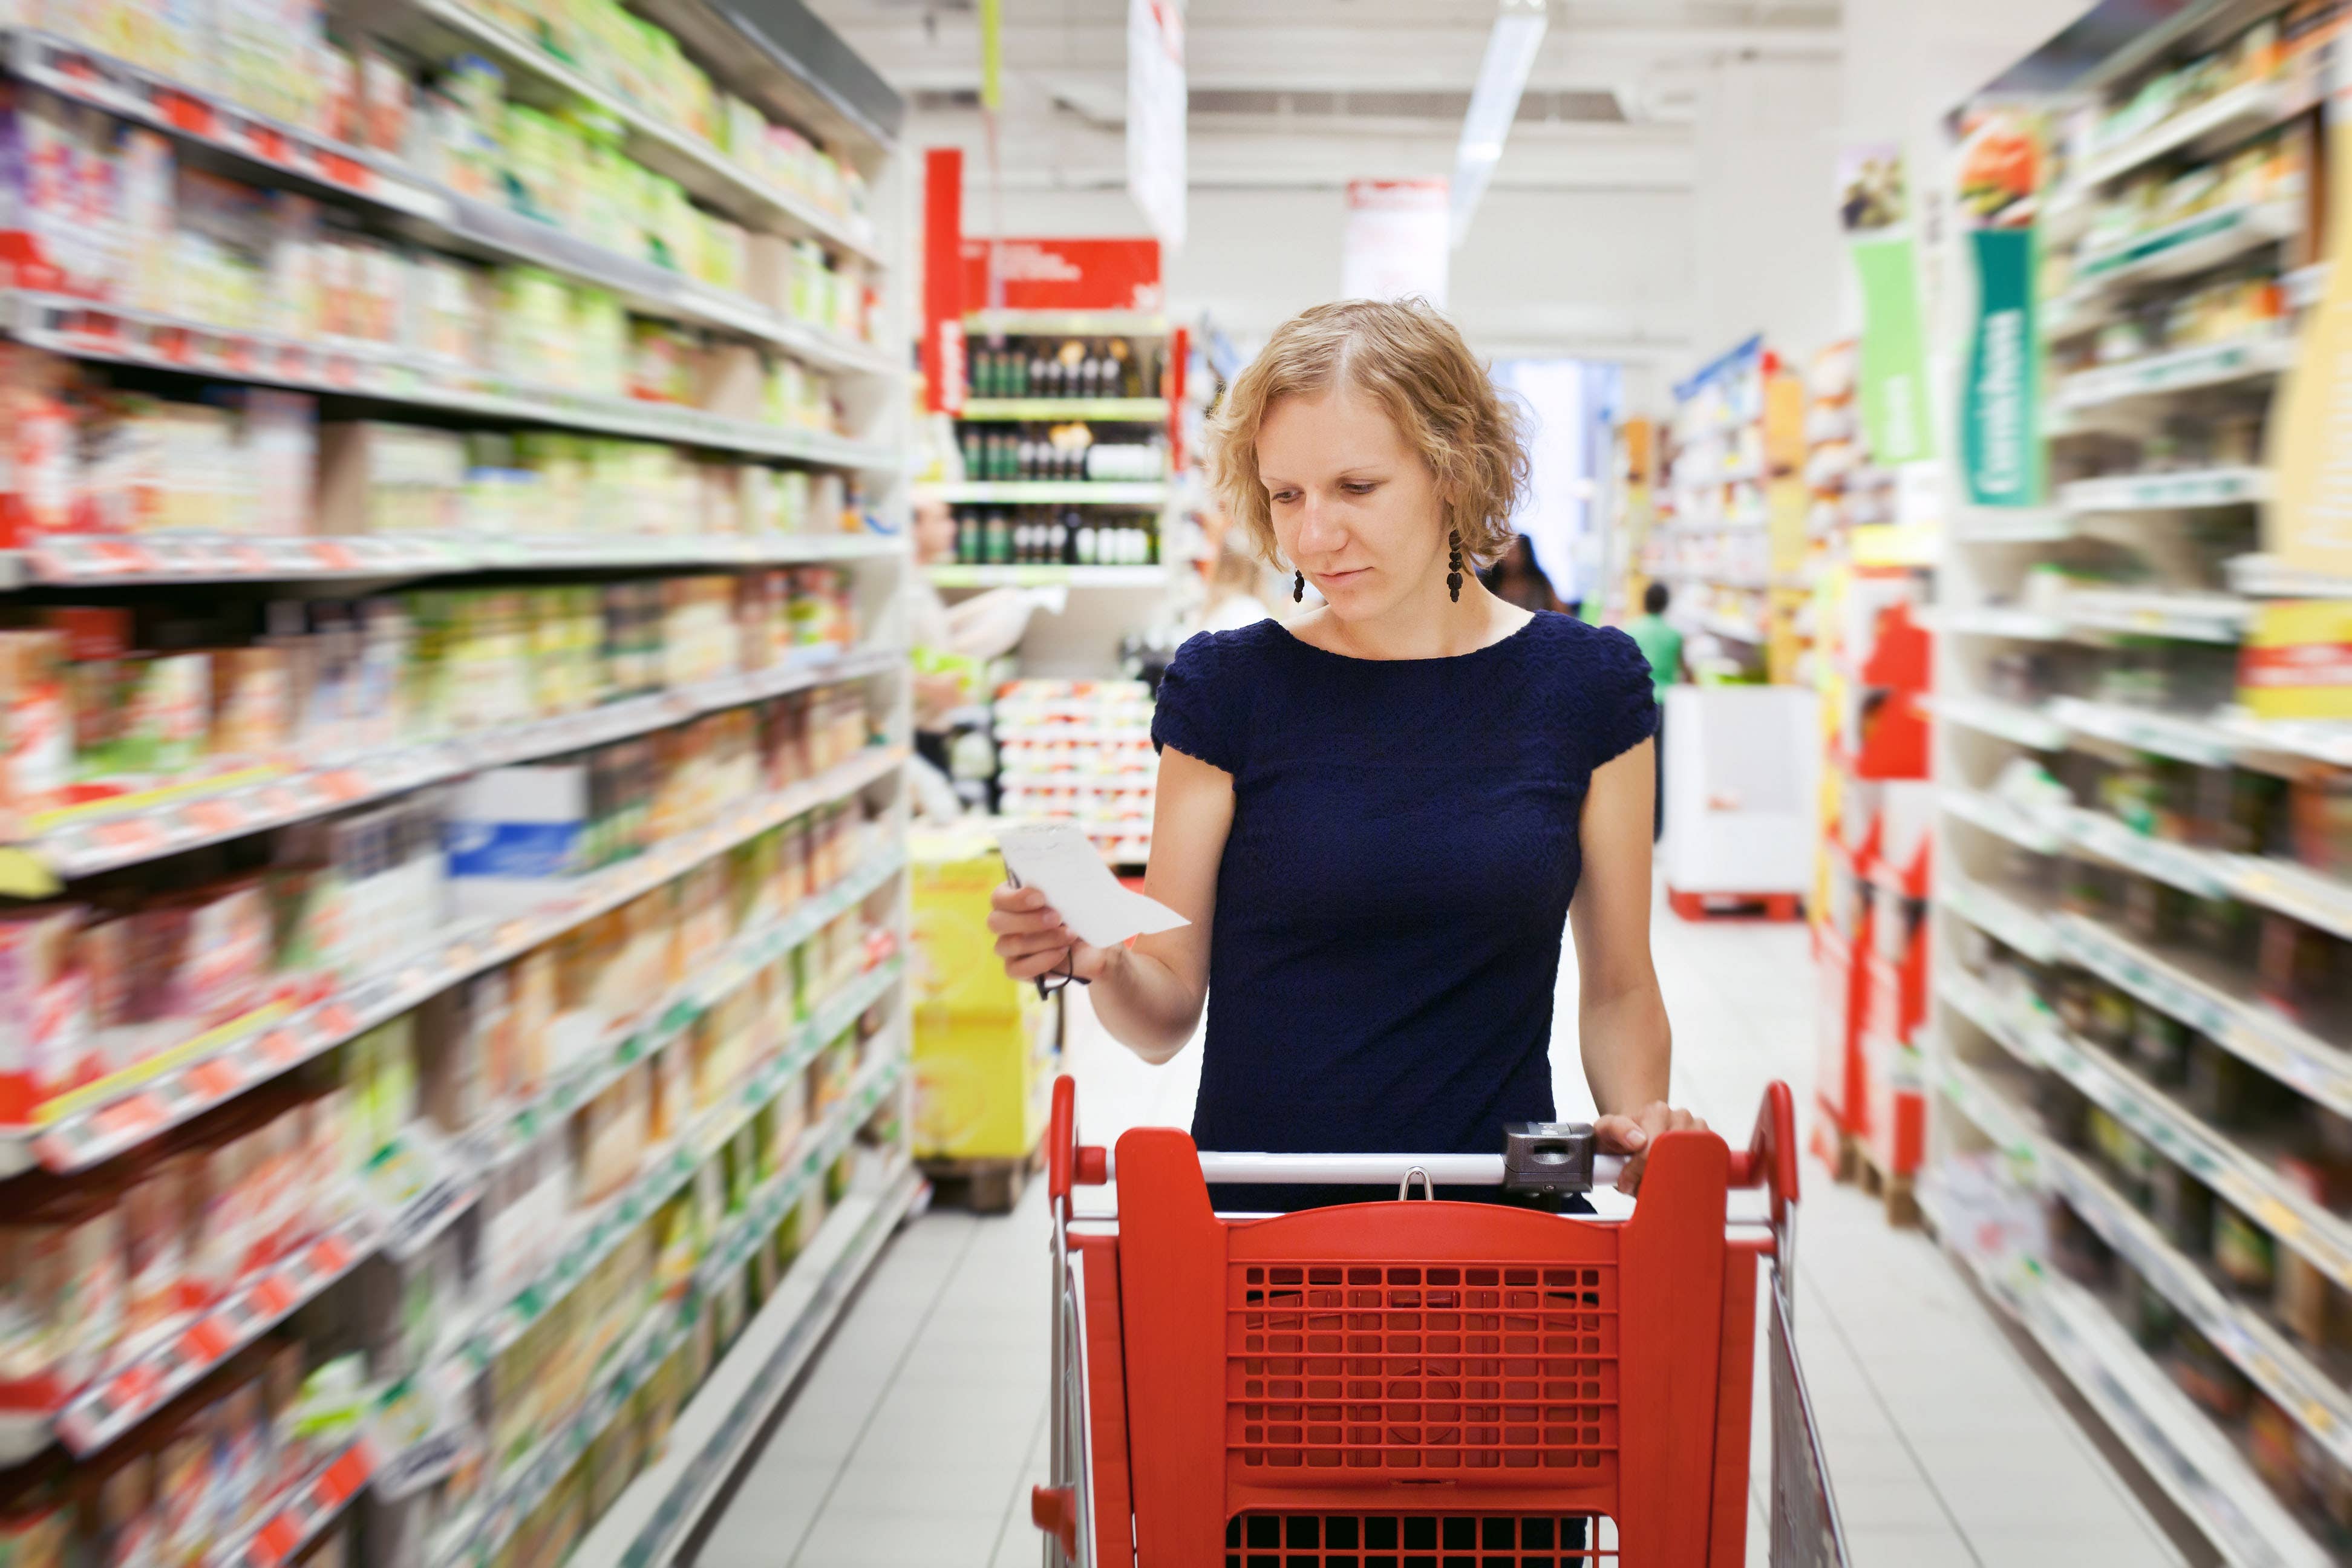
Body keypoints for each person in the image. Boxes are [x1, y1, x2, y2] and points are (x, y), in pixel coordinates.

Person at [987, 298, 1702, 1208]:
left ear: (1455, 471)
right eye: (1287, 495)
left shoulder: (1588, 685)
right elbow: (1163, 1011)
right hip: (1262, 1246)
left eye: (1357, 489)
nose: (1314, 535)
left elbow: (1618, 989)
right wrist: (1103, 960)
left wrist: (1644, 1123)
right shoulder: (1227, 689)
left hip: (1500, 1242)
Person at [1624, 580, 1688, 841]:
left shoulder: (1631, 629)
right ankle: (1657, 828)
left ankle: (1634, 822)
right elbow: (1685, 670)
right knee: (1660, 766)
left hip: (1637, 702)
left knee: (1633, 766)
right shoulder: (1674, 634)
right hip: (1665, 704)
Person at [1480, 535, 1563, 614]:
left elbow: (1560, 611)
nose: (1509, 558)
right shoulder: (1489, 584)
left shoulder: (1540, 581)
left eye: (1513, 553)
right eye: (1505, 553)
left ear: (1525, 553)